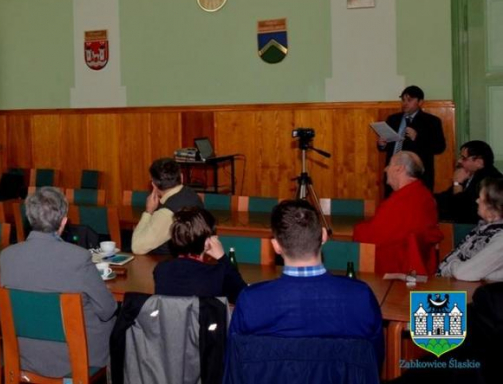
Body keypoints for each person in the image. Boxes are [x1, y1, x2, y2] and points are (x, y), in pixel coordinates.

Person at [229, 200, 383, 365]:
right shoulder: (360, 297)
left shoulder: (251, 301)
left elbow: (234, 364)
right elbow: (374, 361)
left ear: (276, 246)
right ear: (324, 236)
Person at [0, 187, 117, 378]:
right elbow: (108, 309)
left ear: (29, 219)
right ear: (63, 222)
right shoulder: (78, 258)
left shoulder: (7, 256)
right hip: (75, 358)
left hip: (25, 355)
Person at [353, 151, 443, 273]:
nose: (385, 169)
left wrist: (357, 229)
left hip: (396, 270)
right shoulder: (423, 194)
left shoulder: (402, 201)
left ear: (399, 169)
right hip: (418, 264)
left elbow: (373, 237)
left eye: (389, 164)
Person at [153, 207, 246, 303]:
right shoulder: (216, 274)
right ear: (207, 242)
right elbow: (244, 297)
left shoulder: (161, 269)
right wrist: (222, 257)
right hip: (204, 318)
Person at [378, 85, 446, 194]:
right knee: (392, 205)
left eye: (409, 100)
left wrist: (418, 138)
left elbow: (439, 147)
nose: (405, 103)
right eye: (403, 100)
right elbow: (386, 146)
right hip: (394, 171)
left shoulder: (431, 121)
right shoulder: (393, 119)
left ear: (420, 102)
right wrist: (382, 144)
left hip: (417, 174)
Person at [132, 158, 203, 255]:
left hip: (165, 262)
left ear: (154, 184)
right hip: (192, 259)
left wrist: (148, 212)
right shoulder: (192, 195)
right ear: (181, 177)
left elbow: (137, 247)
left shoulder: (167, 213)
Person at [438, 177, 503, 281]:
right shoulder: (484, 227)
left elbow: (463, 273)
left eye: (481, 199)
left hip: (466, 294)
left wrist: (452, 262)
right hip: (453, 286)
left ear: (492, 206)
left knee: (413, 297)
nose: (477, 201)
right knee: (411, 295)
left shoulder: (500, 237)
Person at [436, 140, 503, 224]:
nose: (459, 161)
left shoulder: (489, 181)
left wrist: (457, 183)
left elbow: (461, 209)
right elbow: (446, 197)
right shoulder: (470, 174)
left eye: (464, 158)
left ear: (479, 162)